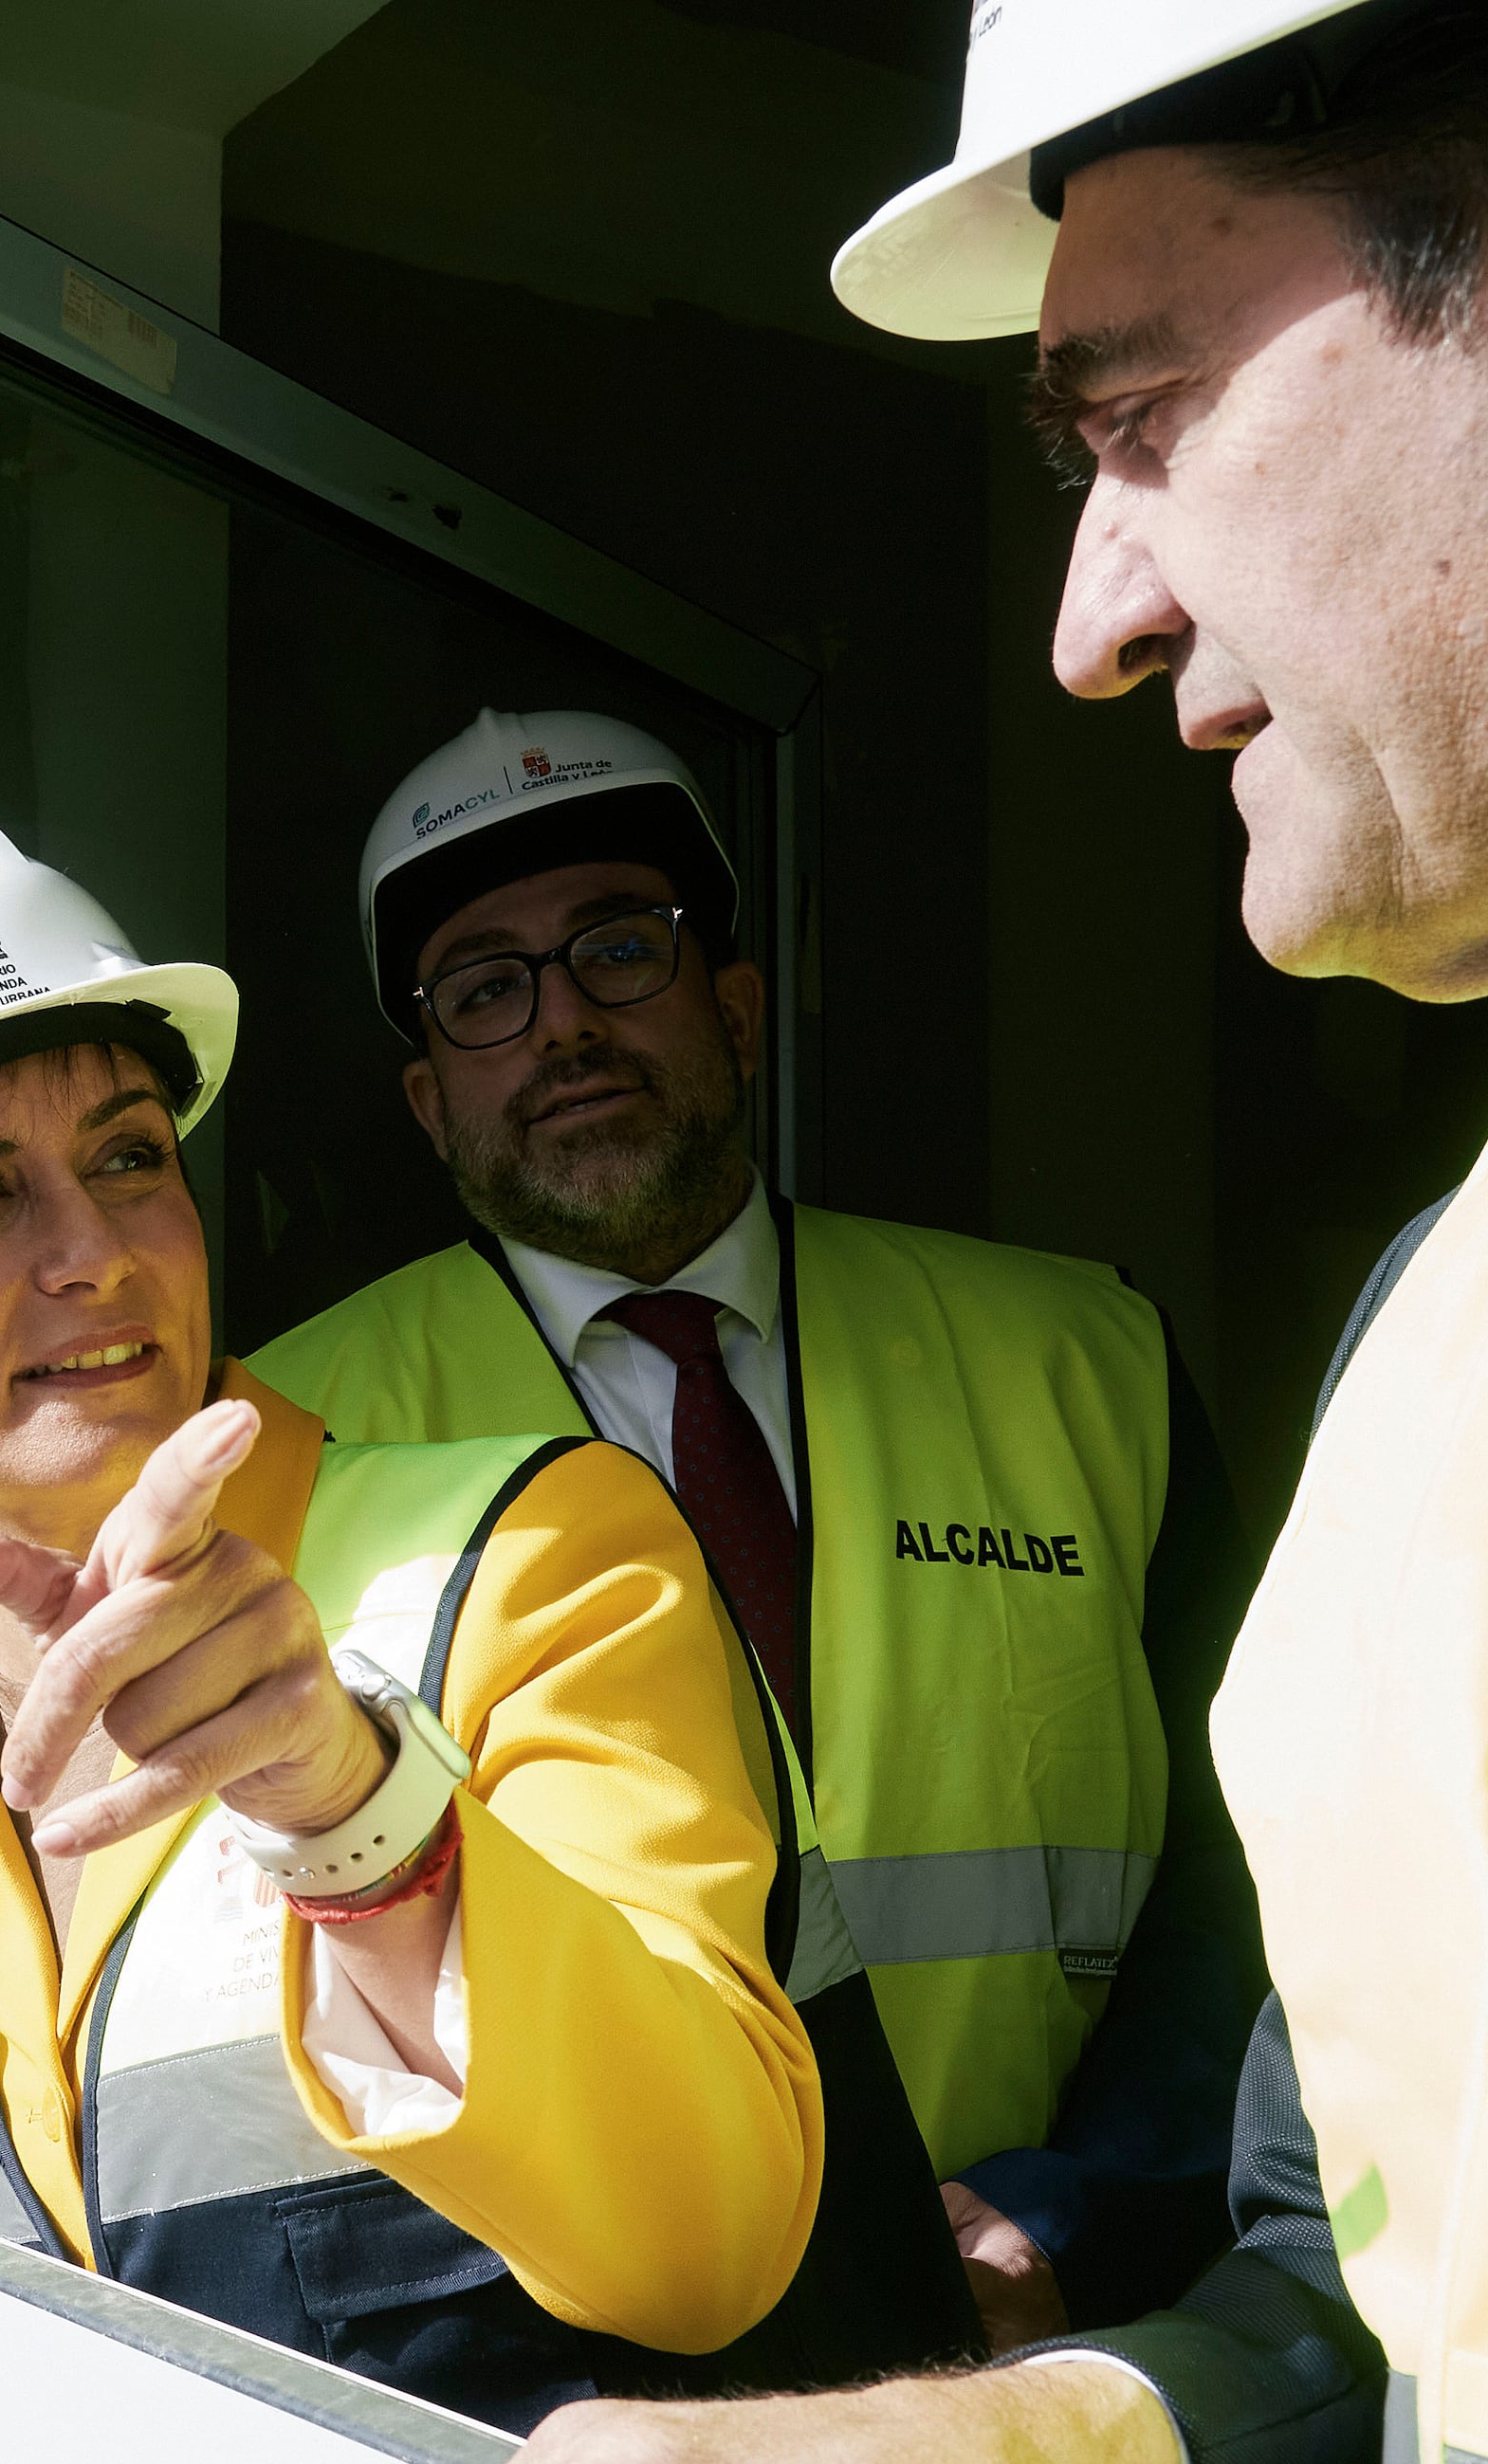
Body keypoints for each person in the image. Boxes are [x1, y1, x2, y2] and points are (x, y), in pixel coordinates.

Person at [294, 6, 1488, 2464]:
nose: (1088, 614)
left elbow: (1191, 1949)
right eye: (476, 993)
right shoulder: (1466, 1294)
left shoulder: (1084, 1340)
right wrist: (1068, 2453)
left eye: (1142, 415)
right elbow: (1392, 2234)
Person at [0, 796, 977, 2431]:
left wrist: (358, 1814)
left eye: (131, 1156)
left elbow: (703, 2243)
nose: (98, 1253)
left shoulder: (534, 1556)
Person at [249, 711, 1269, 2345]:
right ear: (432, 1103)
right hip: (541, 2370)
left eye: (616, 947)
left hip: (1045, 2330)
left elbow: (1251, 1866)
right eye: (486, 986)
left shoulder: (1093, 1362)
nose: (563, 1020)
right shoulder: (267, 1445)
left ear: (733, 1008)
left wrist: (1077, 2212)